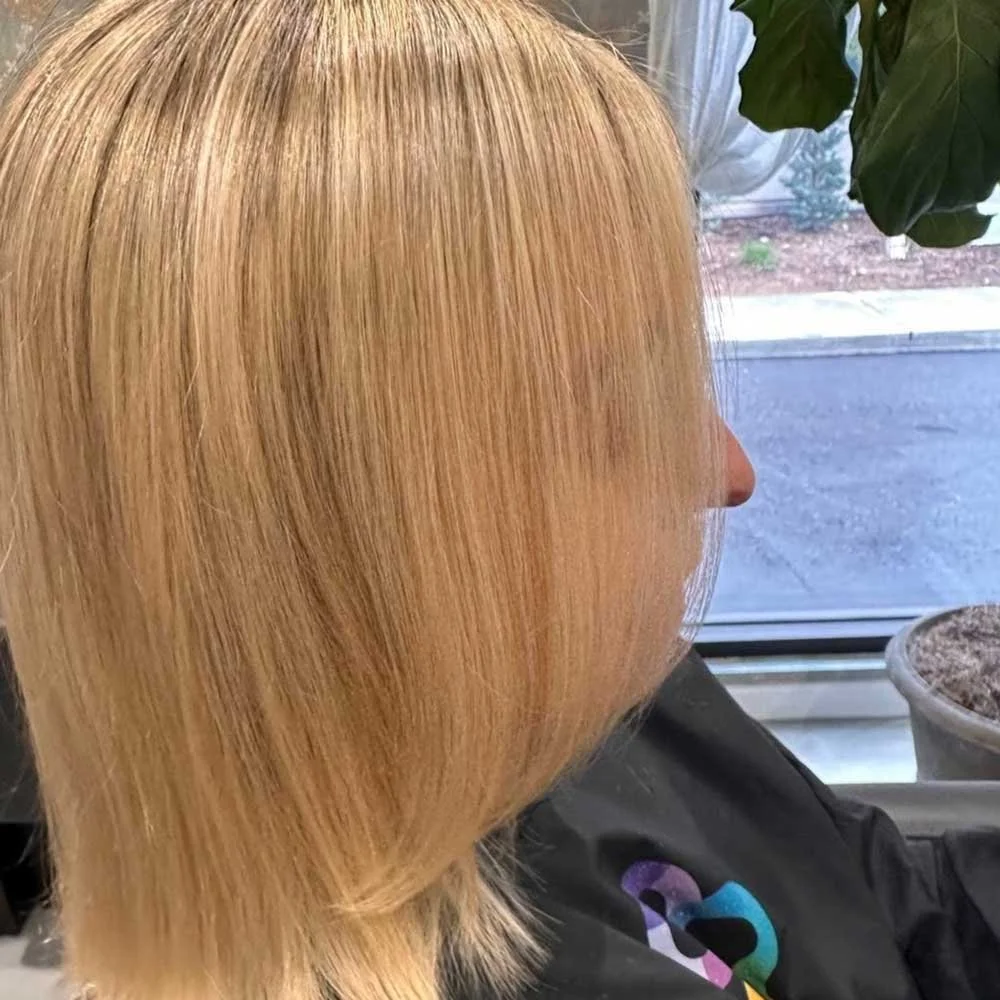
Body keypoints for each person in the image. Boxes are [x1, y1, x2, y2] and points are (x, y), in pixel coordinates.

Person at [0, 3, 994, 1000]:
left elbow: (881, 890)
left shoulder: (571, 688)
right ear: (334, 534)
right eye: (623, 412)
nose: (727, 471)